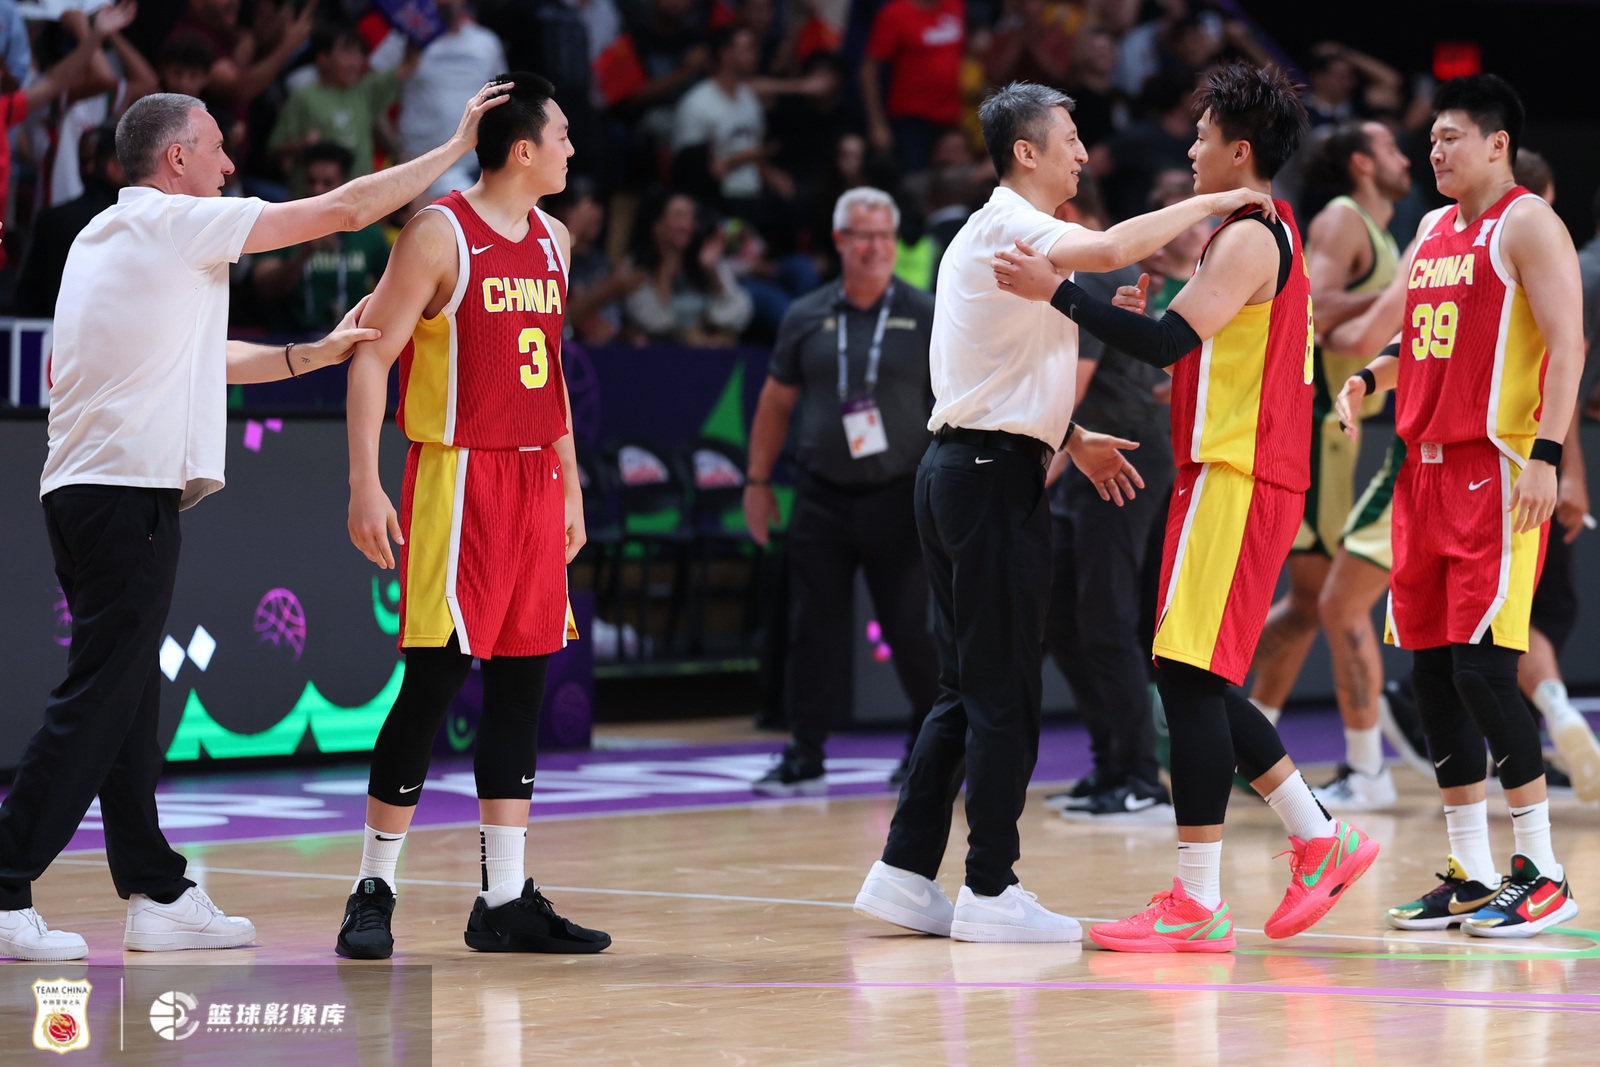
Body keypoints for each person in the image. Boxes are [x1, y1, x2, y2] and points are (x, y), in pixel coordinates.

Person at [0, 79, 508, 963]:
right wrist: (458, 145)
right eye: (217, 148)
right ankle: (5, 881)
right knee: (100, 697)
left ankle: (157, 888)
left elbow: (205, 357)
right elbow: (345, 210)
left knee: (128, 698)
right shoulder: (177, 223)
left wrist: (309, 354)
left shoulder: (106, 235)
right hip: (124, 493)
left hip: (82, 492)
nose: (232, 164)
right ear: (177, 158)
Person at [852, 79, 1274, 945]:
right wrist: (1219, 199)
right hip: (988, 475)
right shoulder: (1018, 226)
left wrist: (1070, 435)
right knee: (1004, 691)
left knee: (964, 689)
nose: (1083, 151)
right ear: (1026, 152)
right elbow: (1117, 244)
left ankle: (902, 872)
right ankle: (991, 887)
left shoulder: (991, 230)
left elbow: (993, 367)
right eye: (1070, 138)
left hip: (960, 464)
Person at [995, 63, 1379, 953]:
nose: (1193, 147)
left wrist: (1061, 292)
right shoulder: (1256, 232)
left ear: (1240, 150)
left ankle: (1206, 895)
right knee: (1191, 674)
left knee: (1189, 674)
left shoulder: (1247, 234)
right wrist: (1133, 308)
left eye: (1204, 136)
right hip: (1228, 472)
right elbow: (1198, 344)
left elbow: (1169, 342)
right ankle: (1315, 836)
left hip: (1240, 474)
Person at [337, 73, 609, 961]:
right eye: (561, 135)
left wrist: (570, 482)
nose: (571, 149)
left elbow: (550, 373)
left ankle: (503, 898)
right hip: (457, 474)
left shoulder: (556, 240)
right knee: (435, 680)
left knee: (523, 682)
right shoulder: (438, 232)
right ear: (523, 149)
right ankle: (372, 887)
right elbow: (371, 356)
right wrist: (365, 481)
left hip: (535, 477)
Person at [1331, 74, 1582, 937]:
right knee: (1432, 673)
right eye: (1431, 138)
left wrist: (1547, 455)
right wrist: (1371, 377)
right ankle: (1472, 871)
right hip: (1423, 472)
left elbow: (1568, 344)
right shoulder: (1434, 229)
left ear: (1497, 143)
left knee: (1483, 669)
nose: (1435, 151)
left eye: (1451, 137)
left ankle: (1542, 870)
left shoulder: (1528, 223)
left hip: (1496, 468)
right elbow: (1424, 336)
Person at [1250, 118, 1423, 811]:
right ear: (1361, 163)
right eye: (1390, 147)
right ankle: (1351, 763)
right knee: (1329, 600)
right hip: (1317, 422)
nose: (1407, 157)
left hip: (1340, 431)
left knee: (1307, 604)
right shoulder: (1344, 220)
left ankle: (1245, 738)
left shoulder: (1378, 232)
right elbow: (1310, 308)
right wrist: (1402, 297)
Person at [743, 187, 940, 796]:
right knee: (812, 629)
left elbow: (956, 401)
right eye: (862, 236)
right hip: (821, 494)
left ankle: (929, 750)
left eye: (884, 236)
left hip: (899, 496)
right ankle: (805, 754)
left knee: (909, 627)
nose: (874, 247)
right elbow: (776, 402)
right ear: (839, 241)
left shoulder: (927, 312)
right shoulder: (805, 314)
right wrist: (757, 482)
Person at [1040, 182, 1175, 821]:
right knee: (1064, 618)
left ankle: (1141, 776)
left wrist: (1028, 471)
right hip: (1087, 459)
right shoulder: (1091, 268)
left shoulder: (1094, 271)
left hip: (1121, 459)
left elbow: (1069, 392)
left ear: (1064, 212)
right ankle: (1111, 766)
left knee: (1105, 618)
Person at [1503, 151, 1600, 804]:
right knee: (1513, 615)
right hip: (1522, 454)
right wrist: (1563, 468)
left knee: (1529, 611)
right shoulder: (1563, 259)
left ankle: (1548, 725)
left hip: (1521, 454)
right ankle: (1556, 717)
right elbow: (1563, 368)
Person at [250, 142, 391, 333]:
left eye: (327, 182)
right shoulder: (281, 224)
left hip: (350, 340)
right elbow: (264, 289)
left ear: (345, 184)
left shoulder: (368, 233)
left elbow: (395, 288)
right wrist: (303, 255)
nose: (317, 190)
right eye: (311, 181)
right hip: (290, 341)